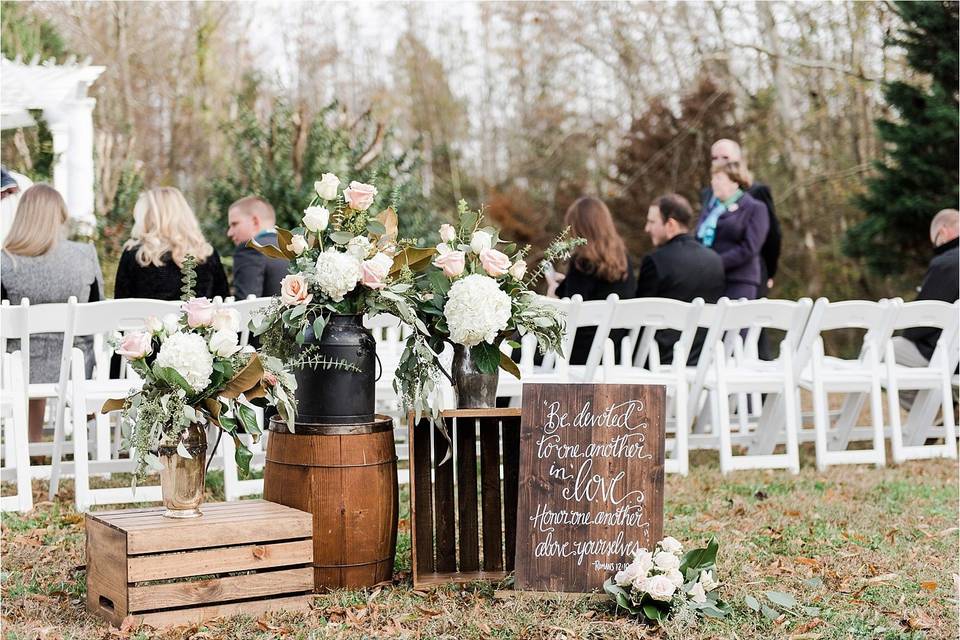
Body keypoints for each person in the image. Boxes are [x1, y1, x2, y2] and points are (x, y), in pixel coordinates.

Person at [1, 184, 104, 442]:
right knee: (60, 349)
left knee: (23, 352)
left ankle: (30, 442)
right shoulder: (84, 255)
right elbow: (96, 309)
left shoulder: (5, 261)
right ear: (59, 216)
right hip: (75, 365)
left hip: (18, 368)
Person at [546, 196, 637, 365]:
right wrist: (567, 282)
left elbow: (570, 313)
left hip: (579, 353)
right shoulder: (624, 262)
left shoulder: (581, 263)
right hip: (612, 353)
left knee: (516, 349)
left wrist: (553, 297)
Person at [638, 193, 725, 365]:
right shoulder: (715, 260)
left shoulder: (656, 261)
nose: (646, 228)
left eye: (652, 222)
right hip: (701, 359)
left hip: (659, 359)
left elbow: (639, 317)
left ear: (670, 224)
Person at [891, 208, 959, 407]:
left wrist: (908, 333)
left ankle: (930, 416)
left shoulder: (947, 263)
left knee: (885, 349)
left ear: (943, 232)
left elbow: (922, 320)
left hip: (952, 357)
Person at [114, 187, 229, 300]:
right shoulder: (207, 254)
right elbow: (223, 302)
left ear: (147, 217)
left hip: (147, 319)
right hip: (199, 319)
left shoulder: (136, 255)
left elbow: (121, 306)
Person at [704, 139, 781, 294]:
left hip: (746, 275)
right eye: (714, 158)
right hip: (711, 276)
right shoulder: (708, 194)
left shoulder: (756, 192)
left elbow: (772, 235)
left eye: (724, 157)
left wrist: (770, 272)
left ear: (738, 158)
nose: (719, 161)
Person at [696, 161, 769, 300]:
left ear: (735, 182)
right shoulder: (711, 210)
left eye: (718, 178)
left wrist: (715, 263)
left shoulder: (755, 208)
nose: (713, 182)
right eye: (712, 178)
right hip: (709, 279)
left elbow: (749, 248)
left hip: (739, 281)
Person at [227, 196, 288, 299]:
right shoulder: (294, 248)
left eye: (234, 224)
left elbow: (245, 306)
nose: (229, 233)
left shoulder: (250, 250)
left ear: (255, 221)